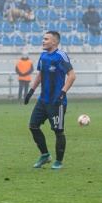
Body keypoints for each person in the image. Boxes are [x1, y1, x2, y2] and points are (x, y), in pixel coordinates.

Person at [23, 30, 76, 170]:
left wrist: (62, 93)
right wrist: (31, 91)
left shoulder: (61, 56)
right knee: (33, 126)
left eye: (46, 39)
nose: (43, 41)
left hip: (57, 102)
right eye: (43, 38)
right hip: (43, 100)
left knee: (58, 131)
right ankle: (45, 155)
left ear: (54, 42)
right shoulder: (43, 55)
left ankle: (58, 161)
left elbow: (72, 75)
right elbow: (40, 74)